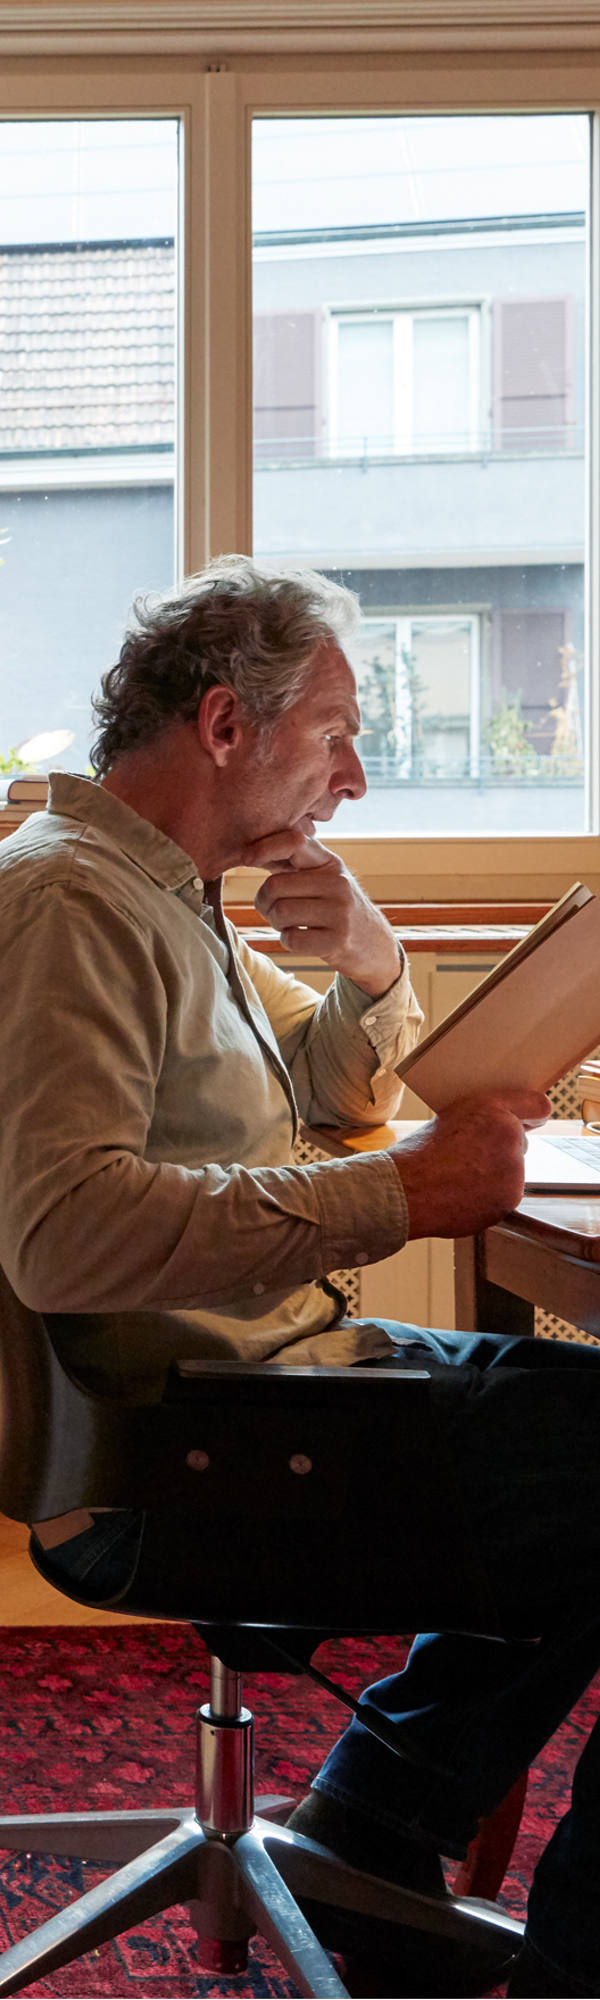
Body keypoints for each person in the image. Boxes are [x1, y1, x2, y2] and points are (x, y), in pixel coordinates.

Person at [0, 555, 599, 1999]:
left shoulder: (167, 894)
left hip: (274, 1387)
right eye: (335, 733)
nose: (356, 777)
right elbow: (64, 1230)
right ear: (226, 725)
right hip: (187, 1449)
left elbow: (332, 1083)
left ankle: (375, 1824)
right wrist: (398, 1195)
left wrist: (377, 960)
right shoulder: (72, 906)